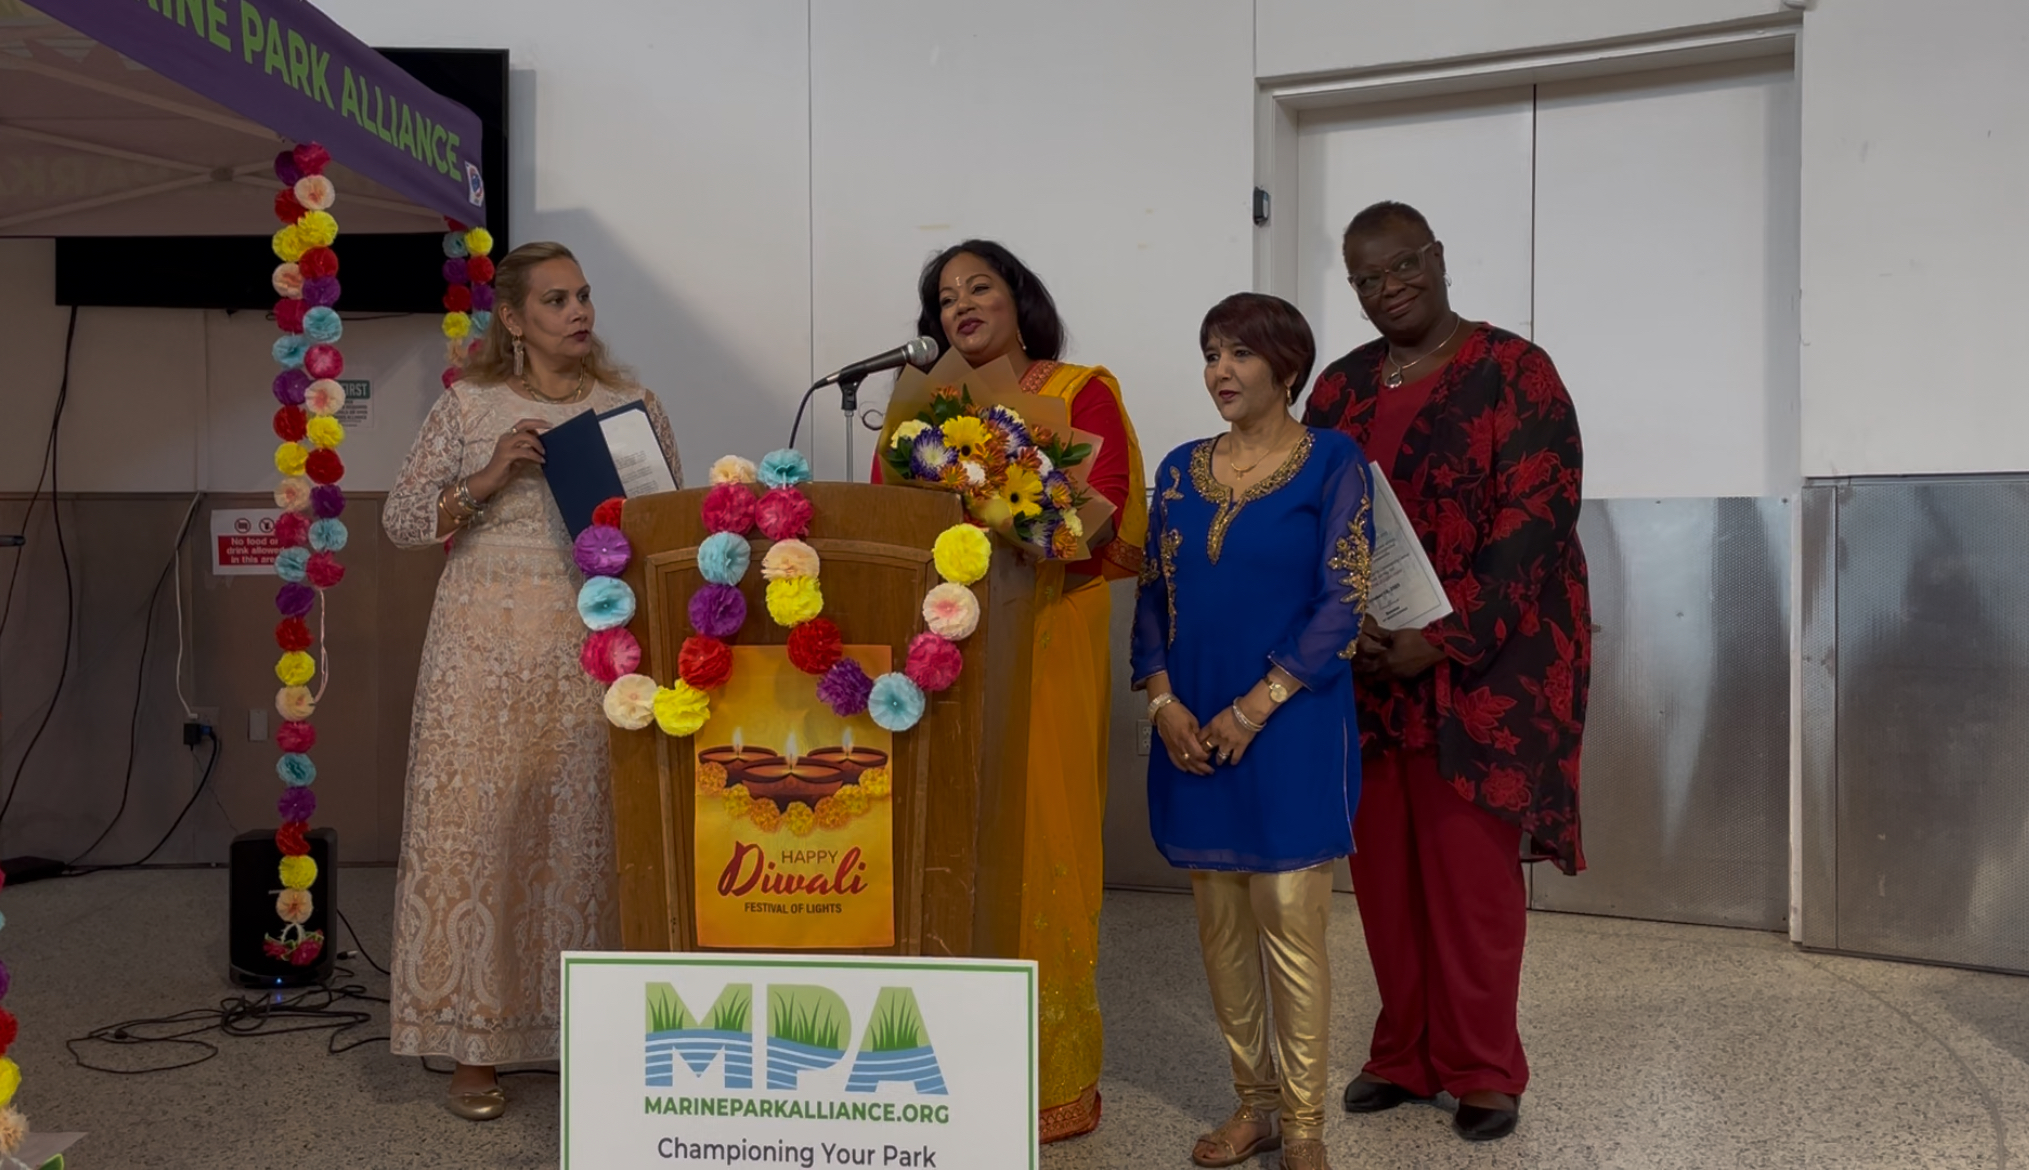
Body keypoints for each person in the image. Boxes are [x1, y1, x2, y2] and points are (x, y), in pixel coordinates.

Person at [1302, 201, 1590, 1143]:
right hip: (1369, 666)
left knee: (1469, 876)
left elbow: (1535, 520)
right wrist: (1348, 628)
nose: (1388, 288)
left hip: (1483, 668)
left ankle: (1481, 1067)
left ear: (1435, 257)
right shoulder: (1339, 389)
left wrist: (1445, 634)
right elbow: (1313, 514)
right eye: (1367, 278)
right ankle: (1403, 1053)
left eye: (1402, 266)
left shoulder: (1515, 370)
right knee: (1384, 873)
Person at [381, 241, 682, 1120]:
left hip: (592, 645)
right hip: (480, 652)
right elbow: (401, 519)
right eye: (555, 300)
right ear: (512, 319)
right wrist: (487, 476)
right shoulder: (469, 406)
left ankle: (587, 1034)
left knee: (585, 837)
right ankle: (475, 1047)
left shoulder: (631, 407)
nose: (577, 312)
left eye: (582, 296)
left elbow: (668, 523)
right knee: (486, 837)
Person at [870, 240, 1147, 1142]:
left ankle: (1050, 1083)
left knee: (1040, 835)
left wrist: (1003, 498)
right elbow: (886, 514)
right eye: (945, 297)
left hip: (1050, 632)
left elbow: (1105, 518)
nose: (962, 304)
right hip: (947, 641)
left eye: (978, 286)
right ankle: (939, 1069)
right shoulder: (921, 415)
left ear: (1018, 299)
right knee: (946, 839)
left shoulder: (1080, 393)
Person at [1132, 293, 1373, 1170]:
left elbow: (1343, 598)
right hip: (1194, 727)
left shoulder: (1333, 461)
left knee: (1287, 920)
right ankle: (1255, 1107)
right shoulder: (1177, 470)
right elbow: (1152, 597)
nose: (1219, 371)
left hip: (1292, 721)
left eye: (1239, 353)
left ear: (1286, 366)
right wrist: (1163, 703)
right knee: (1222, 926)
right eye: (1210, 353)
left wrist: (1255, 706)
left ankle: (1304, 1126)